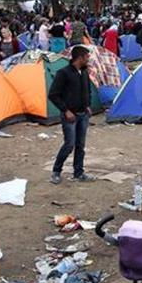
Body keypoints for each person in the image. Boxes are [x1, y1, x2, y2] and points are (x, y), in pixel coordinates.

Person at [48, 45, 96, 184]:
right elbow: (53, 95)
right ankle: (56, 171)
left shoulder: (84, 72)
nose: (88, 59)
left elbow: (88, 90)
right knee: (69, 144)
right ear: (80, 57)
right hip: (70, 116)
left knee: (80, 145)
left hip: (83, 114)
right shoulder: (64, 73)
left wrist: (88, 105)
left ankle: (78, 172)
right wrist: (65, 110)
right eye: (87, 57)